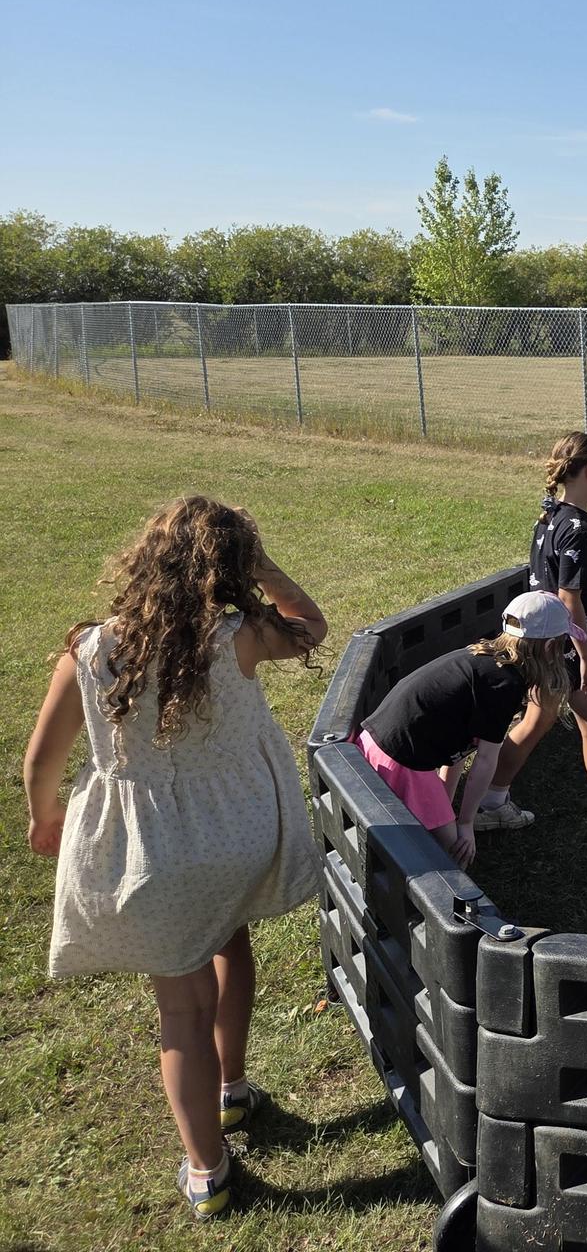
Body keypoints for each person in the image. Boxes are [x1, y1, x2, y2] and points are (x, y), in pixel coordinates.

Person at [22, 497, 325, 1220]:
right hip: (236, 838)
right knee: (229, 940)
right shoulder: (242, 634)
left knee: (182, 1011)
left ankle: (208, 1173)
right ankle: (232, 1091)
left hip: (152, 856)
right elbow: (311, 626)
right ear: (232, 568)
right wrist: (265, 572)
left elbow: (41, 761)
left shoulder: (90, 651)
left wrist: (44, 815)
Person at [355, 591, 575, 868]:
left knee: (443, 837)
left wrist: (445, 807)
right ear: (550, 647)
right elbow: (485, 761)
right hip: (402, 758)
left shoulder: (484, 658)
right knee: (455, 852)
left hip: (375, 741)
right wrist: (466, 822)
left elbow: (457, 749)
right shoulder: (504, 685)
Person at [490, 432, 587, 832]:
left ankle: (490, 800)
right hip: (572, 648)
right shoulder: (579, 527)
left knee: (535, 722)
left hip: (544, 642)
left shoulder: (550, 517)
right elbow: (569, 600)